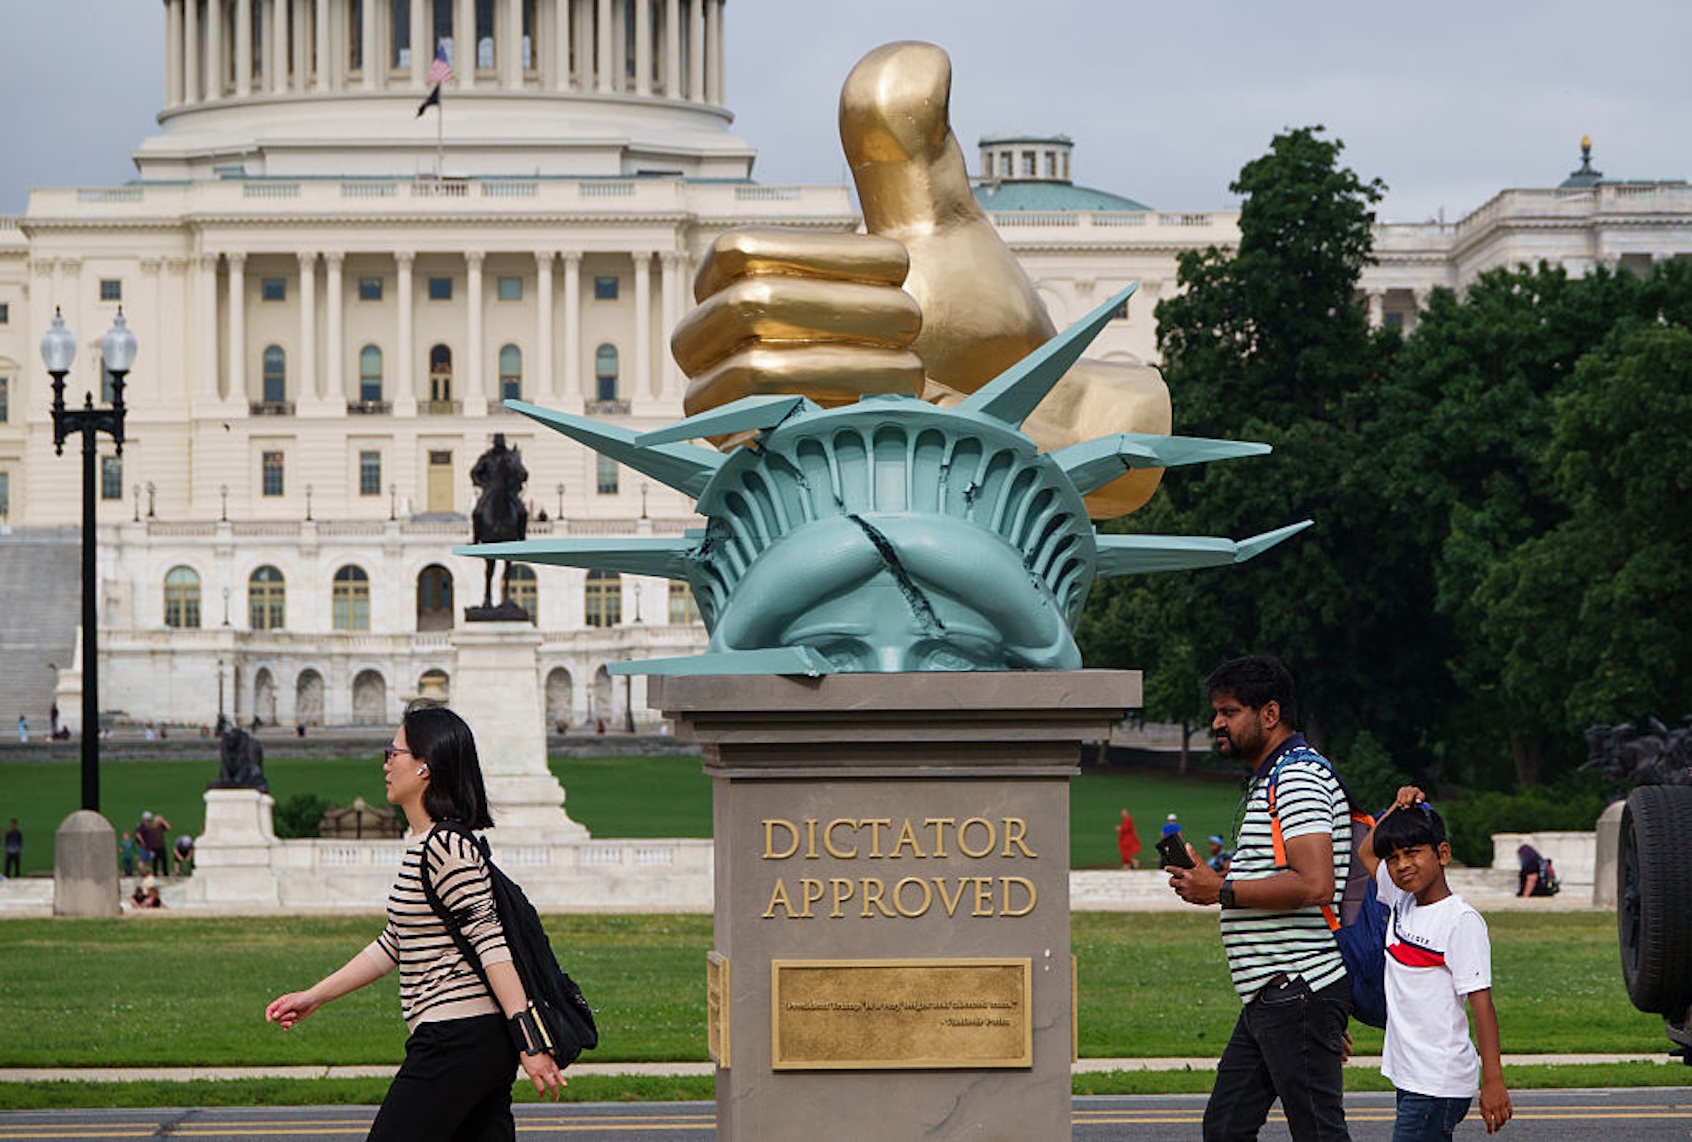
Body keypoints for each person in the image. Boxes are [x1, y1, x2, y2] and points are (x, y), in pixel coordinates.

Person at [265, 703, 565, 1139]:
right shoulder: (426, 845)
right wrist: (315, 996)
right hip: (467, 1039)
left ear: (425, 766)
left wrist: (530, 1041)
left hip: (458, 1038)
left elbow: (491, 944)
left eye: (394, 752)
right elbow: (394, 944)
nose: (385, 763)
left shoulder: (446, 846)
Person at [1166, 655, 1354, 1141]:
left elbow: (1314, 882)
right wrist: (1213, 880)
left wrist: (1220, 889)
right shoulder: (1272, 778)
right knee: (1226, 1128)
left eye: (1229, 712)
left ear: (1269, 714)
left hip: (1296, 988)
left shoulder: (1297, 777)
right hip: (1272, 995)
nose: (1216, 723)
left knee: (1319, 1133)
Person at [1363, 788, 1513, 1139]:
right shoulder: (1402, 899)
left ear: (1442, 853)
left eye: (1413, 853)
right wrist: (1396, 808)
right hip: (1411, 1075)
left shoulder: (1460, 920)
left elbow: (1482, 1005)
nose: (1402, 865)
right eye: (1394, 858)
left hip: (1436, 1081)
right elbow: (1366, 851)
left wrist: (1492, 1080)